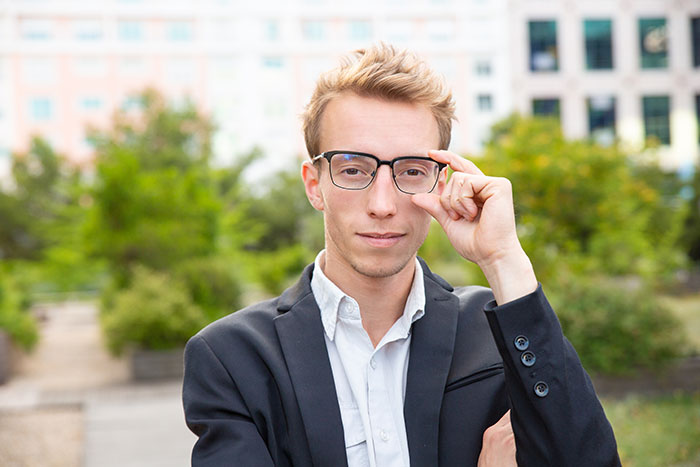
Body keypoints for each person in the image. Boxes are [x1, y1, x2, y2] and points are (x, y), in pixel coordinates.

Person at [182, 43, 620, 466]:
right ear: (315, 185)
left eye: (411, 171)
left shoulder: (500, 333)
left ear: (440, 183)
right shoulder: (232, 359)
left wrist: (504, 259)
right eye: (353, 169)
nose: (383, 204)